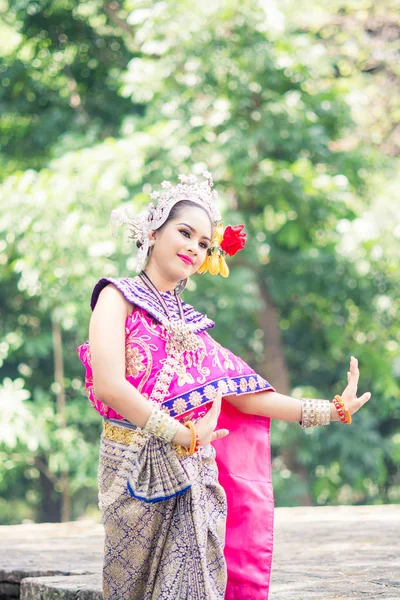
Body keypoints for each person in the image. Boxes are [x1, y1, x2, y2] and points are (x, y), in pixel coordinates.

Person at [77, 172, 371, 600]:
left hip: (195, 473)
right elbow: (109, 386)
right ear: (153, 232)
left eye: (203, 243)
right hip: (132, 467)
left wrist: (330, 409)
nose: (194, 248)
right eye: (185, 233)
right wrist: (180, 434)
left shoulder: (193, 326)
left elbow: (246, 396)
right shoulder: (116, 297)